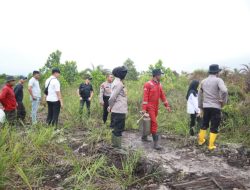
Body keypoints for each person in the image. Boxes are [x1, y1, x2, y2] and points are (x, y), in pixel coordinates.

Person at [198, 64, 228, 150]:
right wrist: (223, 101)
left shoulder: (203, 81)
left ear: (210, 72)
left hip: (206, 106)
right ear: (217, 72)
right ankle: (210, 146)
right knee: (214, 125)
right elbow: (224, 91)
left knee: (204, 124)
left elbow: (199, 95)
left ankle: (201, 141)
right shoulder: (218, 80)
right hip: (215, 106)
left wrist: (200, 106)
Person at [142, 69, 171, 150]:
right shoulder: (148, 84)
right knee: (154, 123)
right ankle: (156, 144)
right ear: (156, 75)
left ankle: (144, 136)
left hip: (156, 106)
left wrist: (167, 105)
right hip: (149, 106)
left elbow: (162, 96)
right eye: (160, 75)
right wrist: (144, 108)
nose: (161, 76)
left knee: (150, 122)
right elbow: (145, 97)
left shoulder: (159, 84)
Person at [108, 66, 128, 150]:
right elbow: (112, 97)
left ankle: (114, 145)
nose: (125, 75)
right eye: (124, 73)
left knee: (115, 128)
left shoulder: (116, 82)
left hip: (117, 109)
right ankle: (118, 148)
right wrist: (110, 106)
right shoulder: (119, 83)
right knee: (118, 129)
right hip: (119, 110)